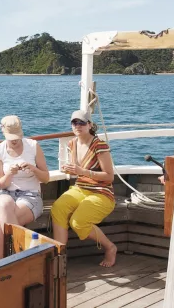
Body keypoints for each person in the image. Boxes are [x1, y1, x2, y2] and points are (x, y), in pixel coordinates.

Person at [51, 110, 118, 268]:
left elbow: (109, 177)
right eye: (74, 123)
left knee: (78, 222)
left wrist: (83, 172)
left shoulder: (99, 145)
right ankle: (59, 256)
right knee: (57, 208)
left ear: (90, 125)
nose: (78, 126)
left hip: (101, 192)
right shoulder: (72, 143)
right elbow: (76, 171)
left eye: (82, 123)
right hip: (81, 188)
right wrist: (70, 170)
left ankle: (110, 247)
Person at [0, 115, 49, 262]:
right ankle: (21, 258)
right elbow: (2, 184)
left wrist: (33, 168)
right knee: (4, 204)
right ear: (3, 132)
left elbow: (46, 178)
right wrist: (9, 173)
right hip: (6, 192)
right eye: (11, 137)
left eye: (17, 136)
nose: (15, 140)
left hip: (31, 196)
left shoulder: (33, 146)